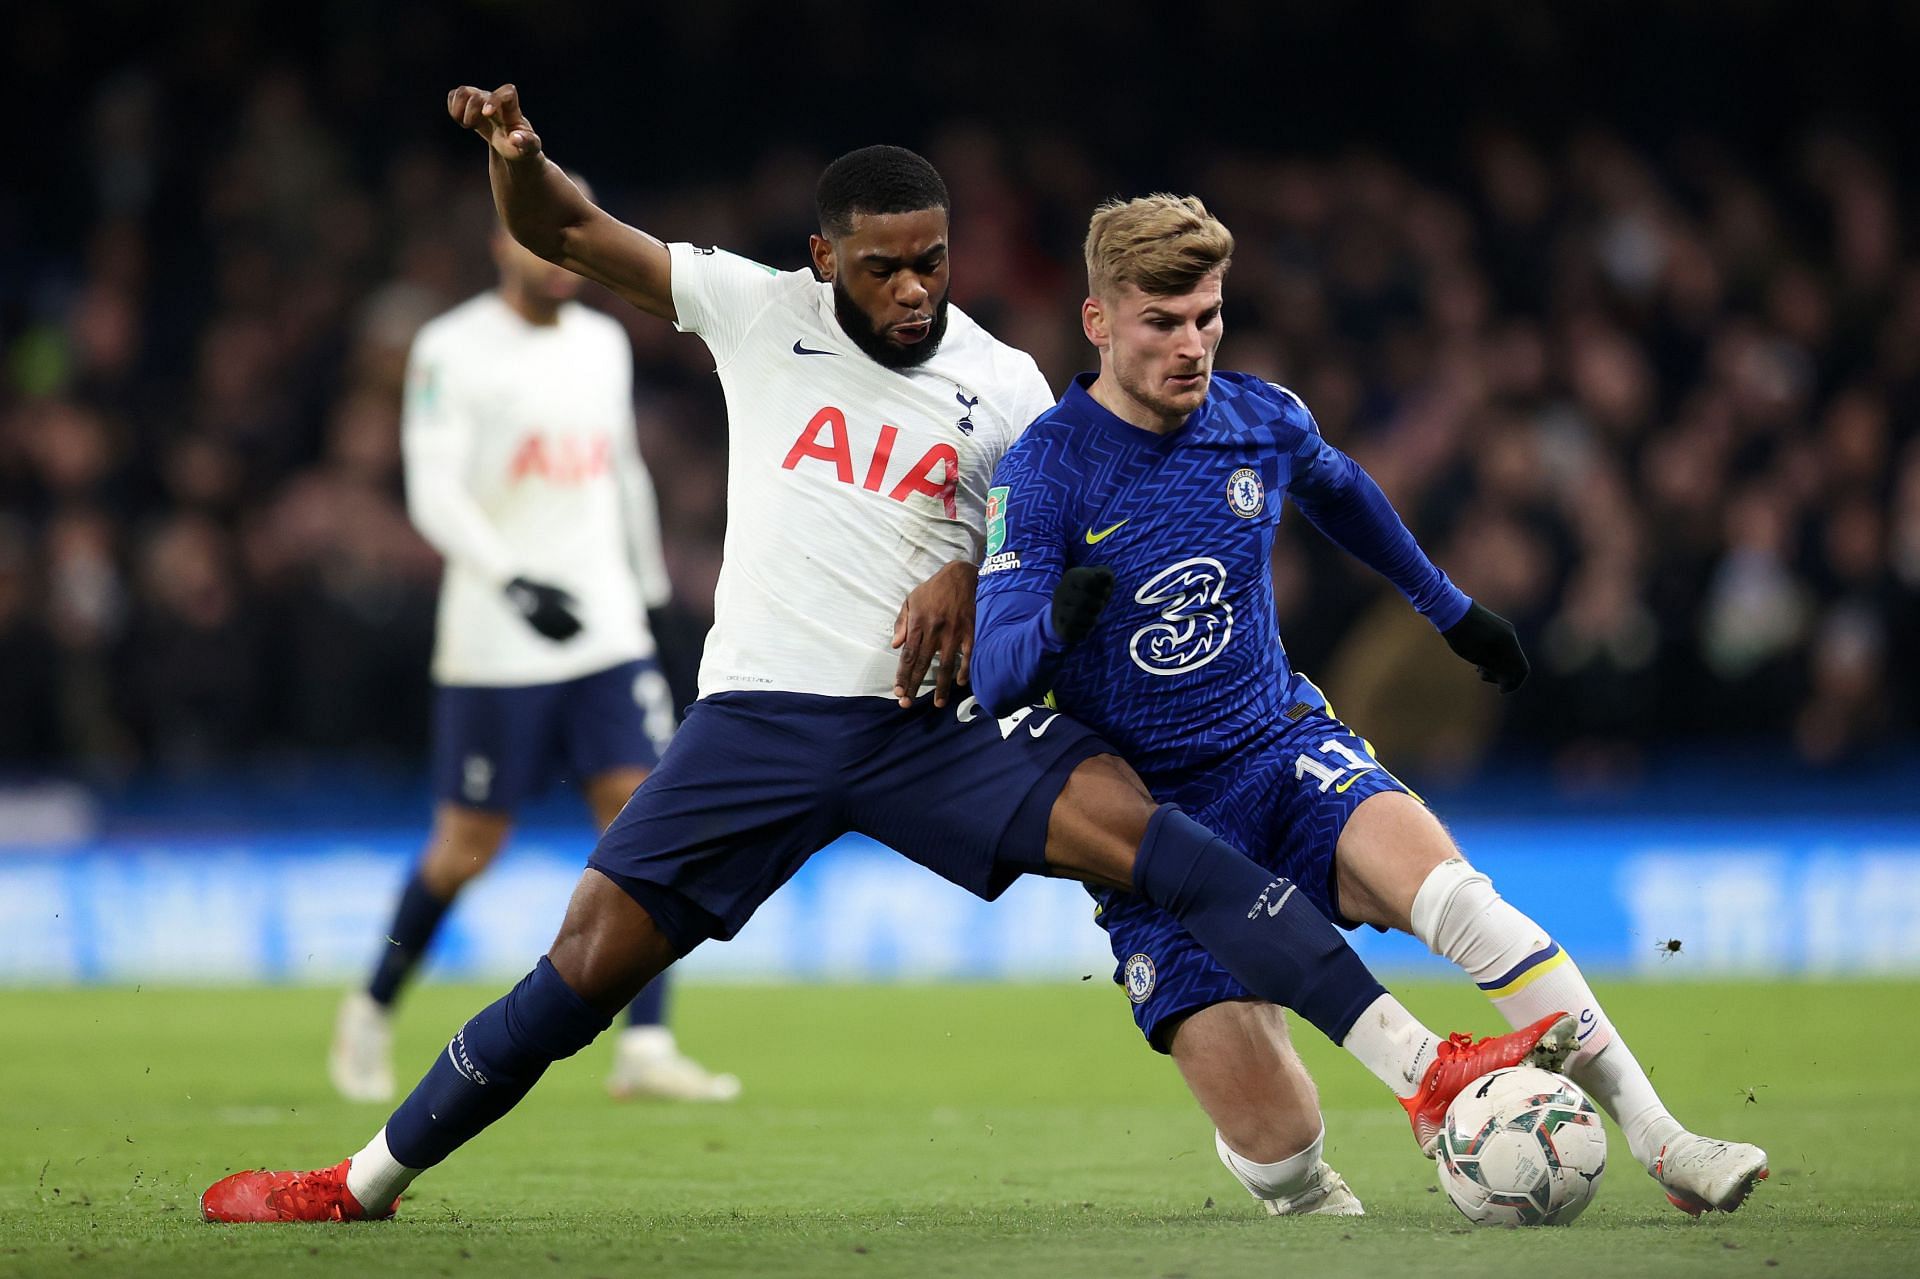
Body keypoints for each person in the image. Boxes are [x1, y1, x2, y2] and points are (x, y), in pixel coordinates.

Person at [199, 85, 1573, 1225]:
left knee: (1158, 841)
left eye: (933, 259)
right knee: (580, 963)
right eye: (883, 264)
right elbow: (565, 231)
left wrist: (968, 571)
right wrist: (518, 161)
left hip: (936, 726)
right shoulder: (750, 312)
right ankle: (364, 1179)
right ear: (823, 260)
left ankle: (1428, 1068)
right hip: (761, 721)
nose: (913, 287)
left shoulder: (1008, 386)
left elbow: (1044, 530)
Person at [970, 193, 1769, 1217]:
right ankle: (1294, 1182)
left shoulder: (1259, 417)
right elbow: (995, 676)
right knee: (1282, 1141)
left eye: (1208, 316)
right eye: (1161, 323)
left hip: (1279, 746)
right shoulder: (1046, 469)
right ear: (1099, 323)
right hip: (1155, 822)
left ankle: (1667, 1142)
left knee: (1462, 901)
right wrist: (1051, 630)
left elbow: (1342, 489)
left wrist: (1450, 610)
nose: (1192, 345)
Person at [327, 204, 738, 1106]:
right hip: (496, 638)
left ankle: (648, 1043)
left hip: (604, 630)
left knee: (644, 820)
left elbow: (621, 470)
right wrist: (510, 580)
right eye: (532, 234)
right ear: (498, 241)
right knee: (467, 846)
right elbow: (432, 488)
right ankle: (371, 1004)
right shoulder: (451, 347)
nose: (553, 255)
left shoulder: (602, 342)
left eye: (564, 236)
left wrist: (651, 594)